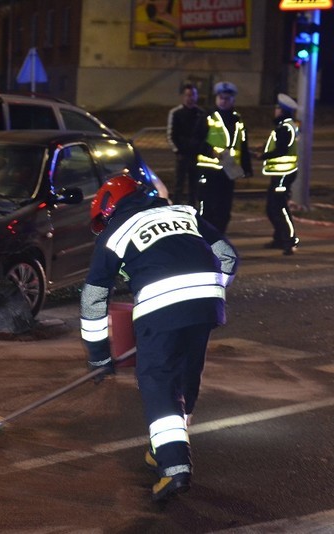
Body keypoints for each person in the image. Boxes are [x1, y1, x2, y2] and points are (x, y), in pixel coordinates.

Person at [80, 174, 238, 502]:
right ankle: (160, 448)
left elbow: (93, 299)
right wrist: (208, 292)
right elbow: (228, 256)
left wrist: (99, 357)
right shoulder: (185, 213)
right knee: (185, 374)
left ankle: (174, 468)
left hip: (160, 307)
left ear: (109, 209)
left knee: (159, 381)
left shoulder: (114, 234)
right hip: (206, 303)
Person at [193, 81, 252, 234]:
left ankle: (219, 240)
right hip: (209, 170)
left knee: (224, 210)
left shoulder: (238, 120)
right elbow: (195, 141)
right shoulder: (207, 117)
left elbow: (243, 145)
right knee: (207, 208)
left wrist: (246, 169)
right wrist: (210, 151)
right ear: (216, 98)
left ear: (233, 100)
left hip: (228, 172)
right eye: (221, 98)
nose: (223, 101)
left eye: (227, 98)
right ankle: (205, 241)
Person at [254, 93, 300, 255]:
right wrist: (264, 147)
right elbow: (279, 144)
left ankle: (289, 241)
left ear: (282, 110)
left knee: (279, 208)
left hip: (283, 174)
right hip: (281, 174)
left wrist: (263, 156)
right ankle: (279, 239)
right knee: (272, 208)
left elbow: (281, 149)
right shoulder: (286, 126)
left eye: (277, 108)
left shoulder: (285, 127)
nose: (275, 110)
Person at [166, 82, 205, 206]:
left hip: (197, 156)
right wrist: (177, 151)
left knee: (195, 186)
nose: (190, 98)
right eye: (188, 95)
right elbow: (171, 134)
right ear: (183, 96)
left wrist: (202, 150)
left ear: (197, 96)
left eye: (193, 95)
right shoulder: (176, 113)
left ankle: (193, 209)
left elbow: (205, 134)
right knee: (179, 185)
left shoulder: (201, 113)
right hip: (182, 155)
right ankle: (176, 208)